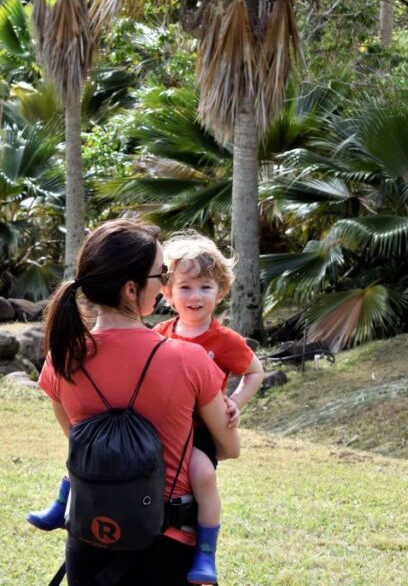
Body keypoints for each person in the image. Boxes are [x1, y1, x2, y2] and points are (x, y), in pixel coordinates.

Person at [33, 219, 240, 585]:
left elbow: (78, 439)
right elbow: (227, 447)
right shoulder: (188, 360)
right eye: (161, 274)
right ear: (132, 288)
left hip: (89, 539)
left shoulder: (61, 358)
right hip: (164, 548)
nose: (164, 285)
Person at [153, 231, 265, 584]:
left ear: (220, 292)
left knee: (202, 475)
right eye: (185, 287)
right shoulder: (159, 334)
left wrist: (234, 402)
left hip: (200, 433)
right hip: (163, 426)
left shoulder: (225, 341)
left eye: (205, 287)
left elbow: (255, 371)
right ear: (167, 293)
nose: (195, 296)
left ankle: (205, 552)